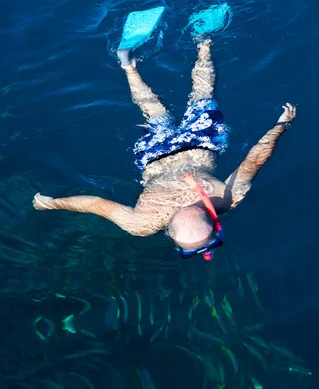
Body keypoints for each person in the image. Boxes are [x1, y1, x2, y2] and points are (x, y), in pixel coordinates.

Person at [33, 38, 296, 260]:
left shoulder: (228, 198)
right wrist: (53, 203)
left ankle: (203, 44)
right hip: (155, 154)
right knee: (152, 112)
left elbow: (253, 161)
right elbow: (95, 203)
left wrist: (281, 124)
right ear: (169, 233)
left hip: (200, 143)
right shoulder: (142, 224)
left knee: (203, 95)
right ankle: (129, 67)